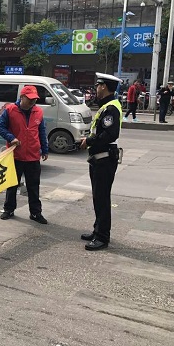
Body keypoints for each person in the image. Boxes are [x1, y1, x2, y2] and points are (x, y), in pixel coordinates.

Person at [79, 72, 123, 251]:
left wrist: (89, 141)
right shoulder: (107, 106)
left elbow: (110, 134)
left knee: (102, 199)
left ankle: (102, 237)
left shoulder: (111, 108)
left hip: (105, 159)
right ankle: (97, 230)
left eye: (98, 85)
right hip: (99, 159)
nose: (96, 88)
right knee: (98, 197)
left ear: (104, 87)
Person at [0, 85, 49, 224]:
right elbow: (0, 127)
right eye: (30, 99)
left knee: (33, 186)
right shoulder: (10, 110)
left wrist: (45, 149)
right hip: (16, 155)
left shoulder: (38, 111)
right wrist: (11, 138)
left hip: (33, 155)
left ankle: (36, 213)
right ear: (22, 97)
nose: (32, 102)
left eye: (34, 99)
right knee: (12, 184)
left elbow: (41, 131)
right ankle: (9, 209)